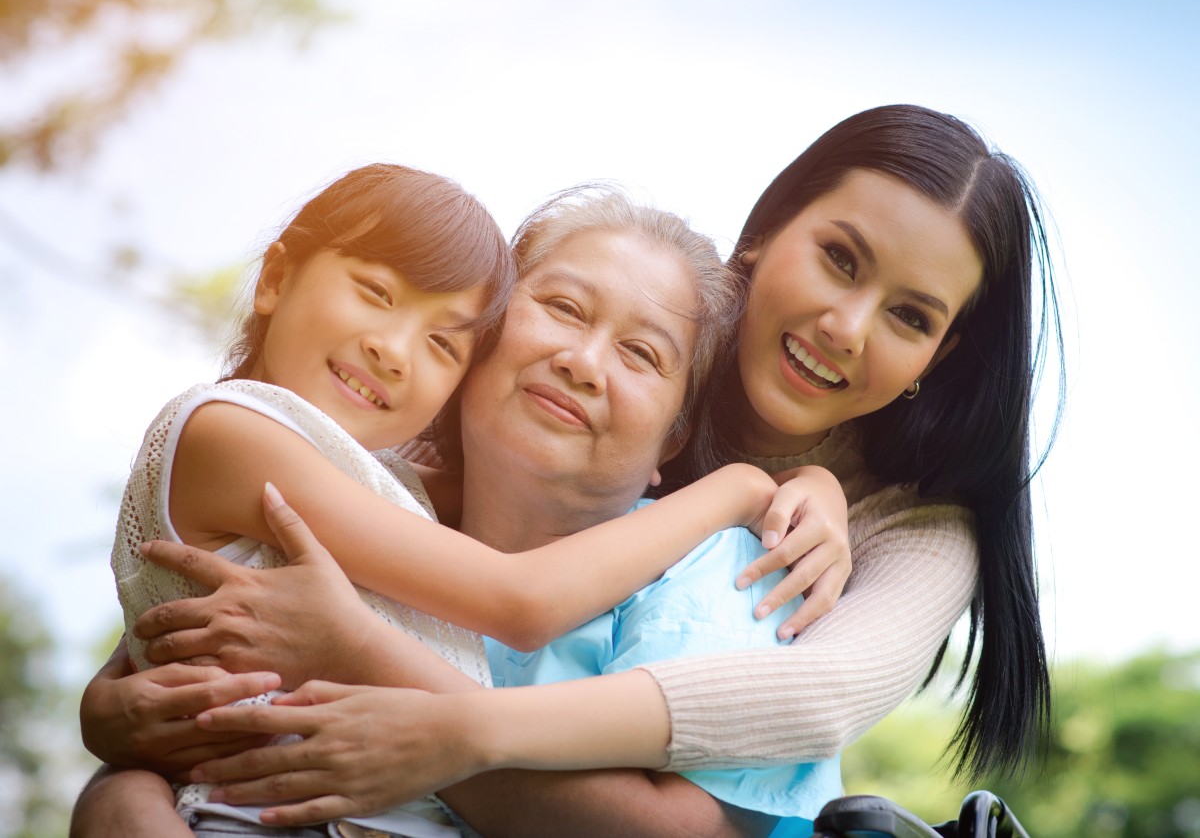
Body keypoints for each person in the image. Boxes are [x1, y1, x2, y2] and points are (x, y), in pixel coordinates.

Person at [78, 104, 1062, 835]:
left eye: (911, 316)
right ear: (766, 241)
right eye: (841, 260)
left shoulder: (835, 538)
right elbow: (220, 604)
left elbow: (809, 703)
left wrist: (439, 713)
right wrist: (115, 712)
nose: (846, 328)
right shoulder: (472, 439)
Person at [94, 171, 853, 836]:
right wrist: (112, 762)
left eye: (641, 353)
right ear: (488, 344)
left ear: (673, 438)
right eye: (561, 306)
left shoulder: (713, 562)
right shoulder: (373, 490)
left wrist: (350, 645)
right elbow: (145, 691)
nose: (582, 362)